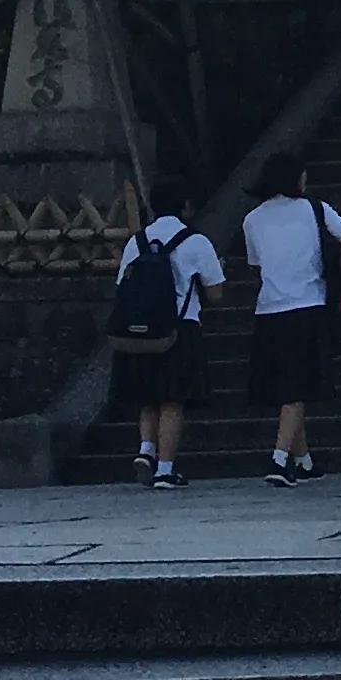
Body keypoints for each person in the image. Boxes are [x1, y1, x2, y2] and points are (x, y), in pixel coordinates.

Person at [239, 154, 341, 486]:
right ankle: (279, 460)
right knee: (297, 389)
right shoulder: (315, 208)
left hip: (269, 308)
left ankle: (305, 460)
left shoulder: (252, 219)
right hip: (307, 305)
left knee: (287, 387)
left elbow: (256, 264)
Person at [110, 201, 225, 491]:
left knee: (148, 398)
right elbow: (215, 294)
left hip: (141, 332)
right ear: (187, 206)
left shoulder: (136, 242)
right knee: (173, 401)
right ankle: (165, 469)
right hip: (180, 328)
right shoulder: (196, 241)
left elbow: (122, 285)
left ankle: (146, 449)